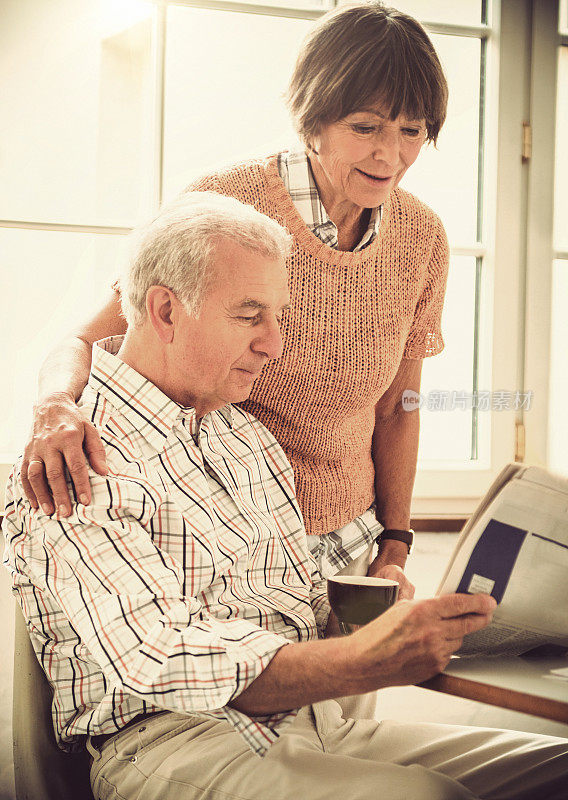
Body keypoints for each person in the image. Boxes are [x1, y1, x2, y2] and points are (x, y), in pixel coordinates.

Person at [5, 193, 567, 800]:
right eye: (250, 315)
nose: (275, 344)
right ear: (166, 310)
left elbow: (294, 609)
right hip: (173, 745)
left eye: (278, 316)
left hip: (314, 726)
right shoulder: (72, 458)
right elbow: (157, 655)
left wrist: (402, 619)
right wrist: (365, 660)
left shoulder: (248, 439)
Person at [21, 2, 448, 599]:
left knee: (340, 692)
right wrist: (53, 406)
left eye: (411, 131)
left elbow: (398, 406)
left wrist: (395, 542)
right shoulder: (224, 202)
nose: (390, 156)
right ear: (313, 118)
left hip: (356, 540)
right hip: (235, 538)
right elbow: (90, 338)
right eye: (366, 126)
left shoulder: (422, 238)